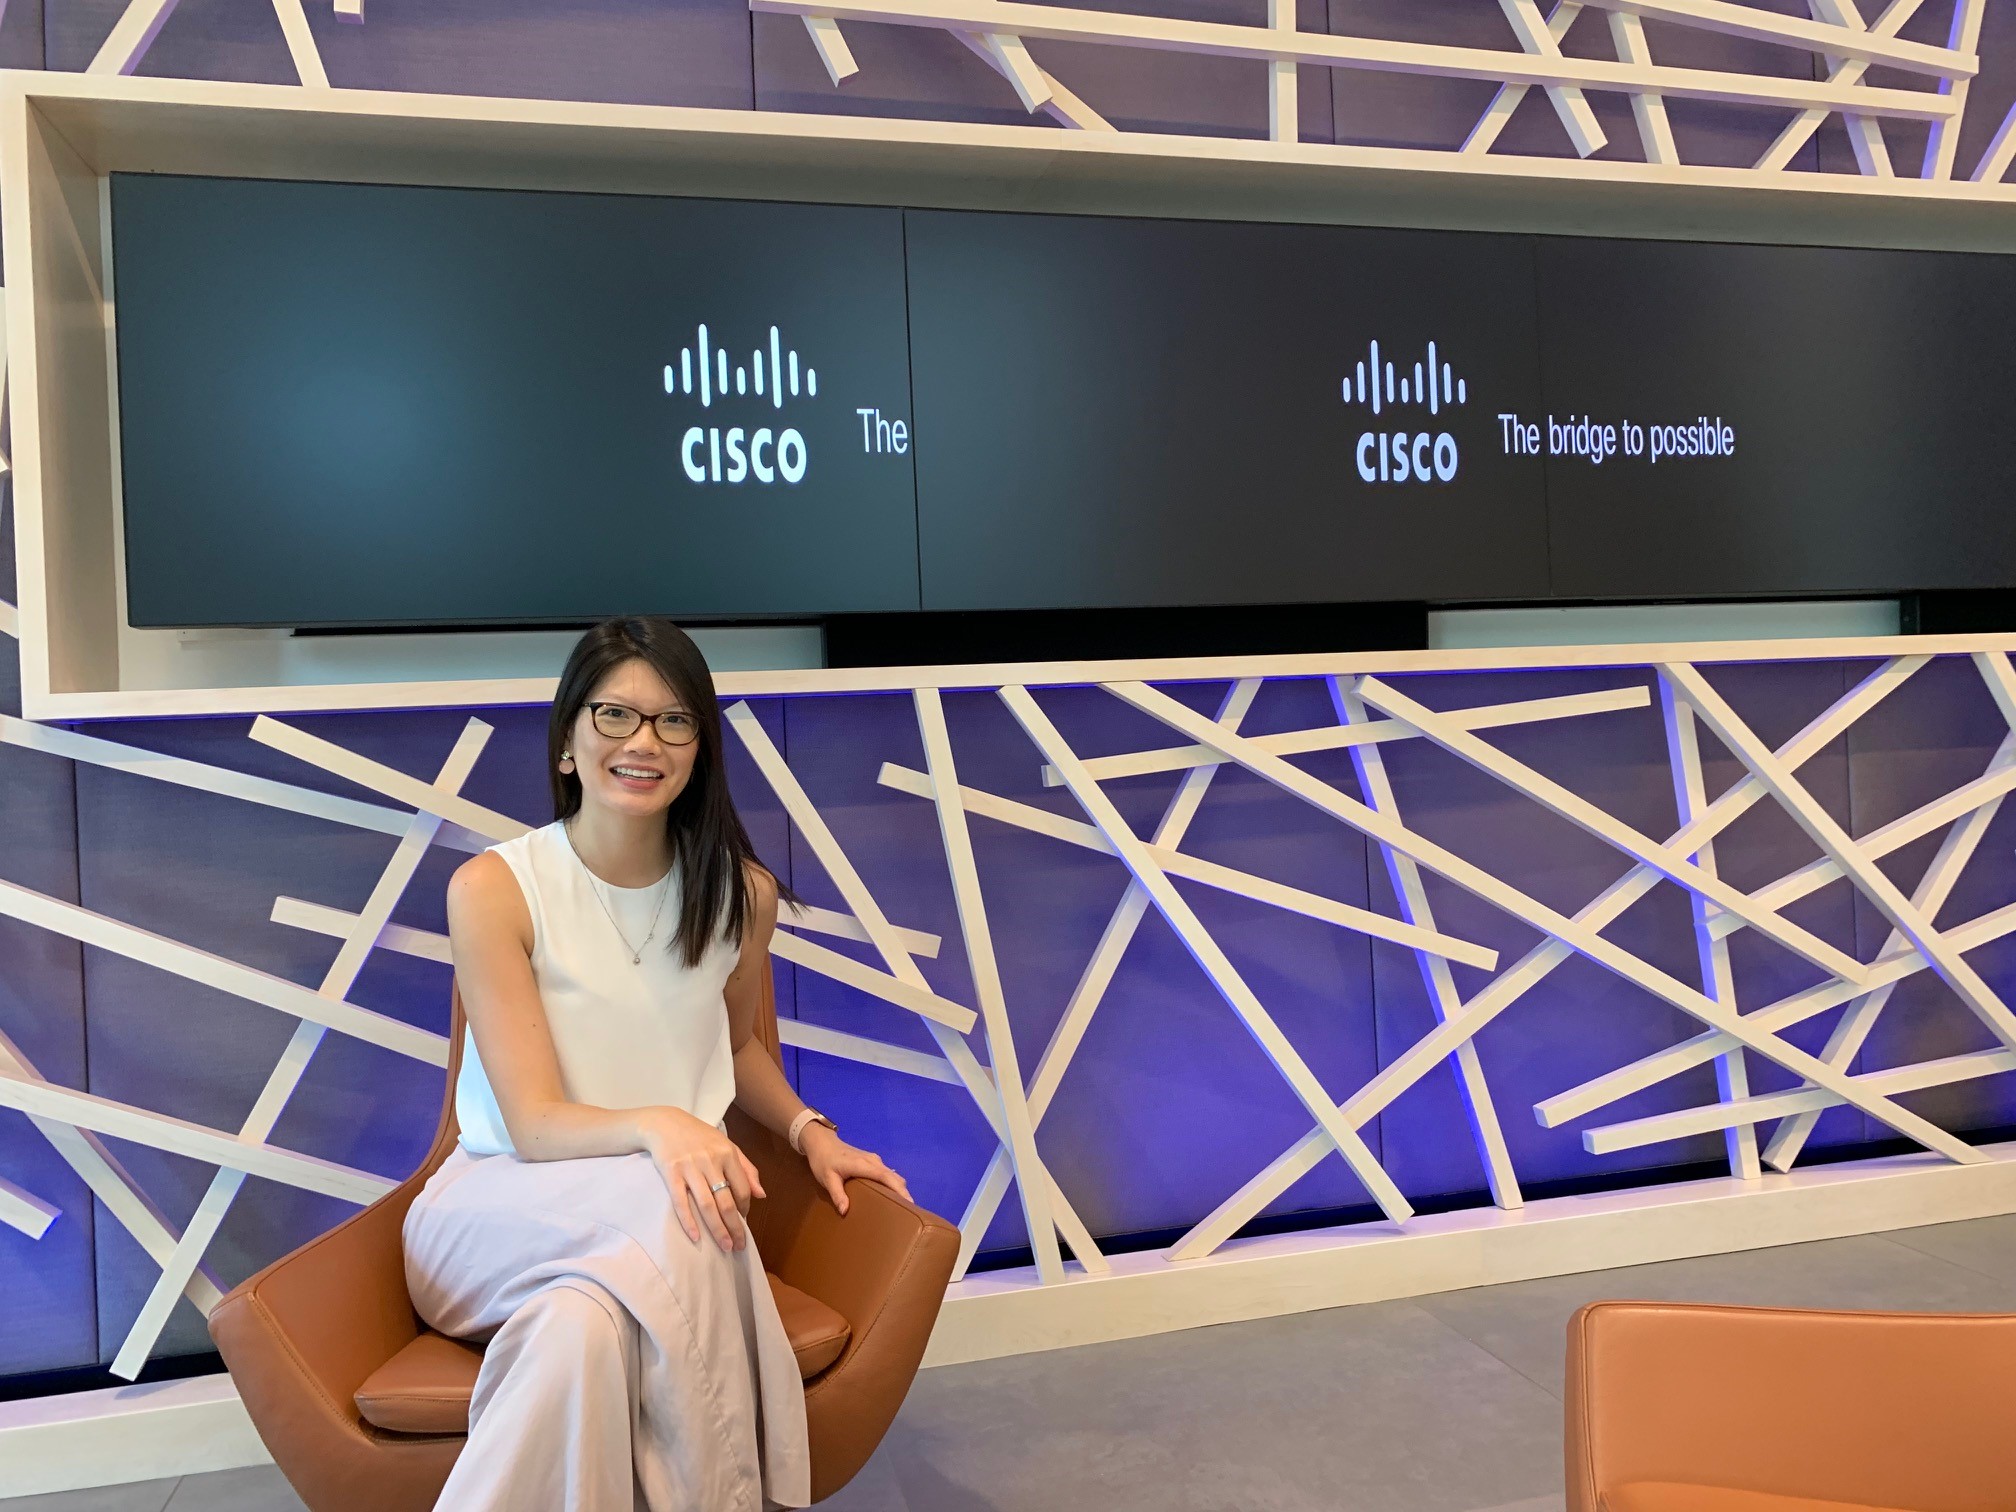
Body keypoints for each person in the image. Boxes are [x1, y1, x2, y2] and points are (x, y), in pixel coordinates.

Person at [403, 616, 912, 1512]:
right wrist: (662, 1130)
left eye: (674, 721)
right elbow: (534, 1125)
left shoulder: (740, 894)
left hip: (652, 1222)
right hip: (496, 1208)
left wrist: (808, 1132)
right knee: (689, 1204)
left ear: (699, 750)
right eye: (615, 715)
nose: (644, 741)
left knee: (579, 1332)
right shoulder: (494, 888)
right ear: (568, 742)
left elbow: (735, 1046)